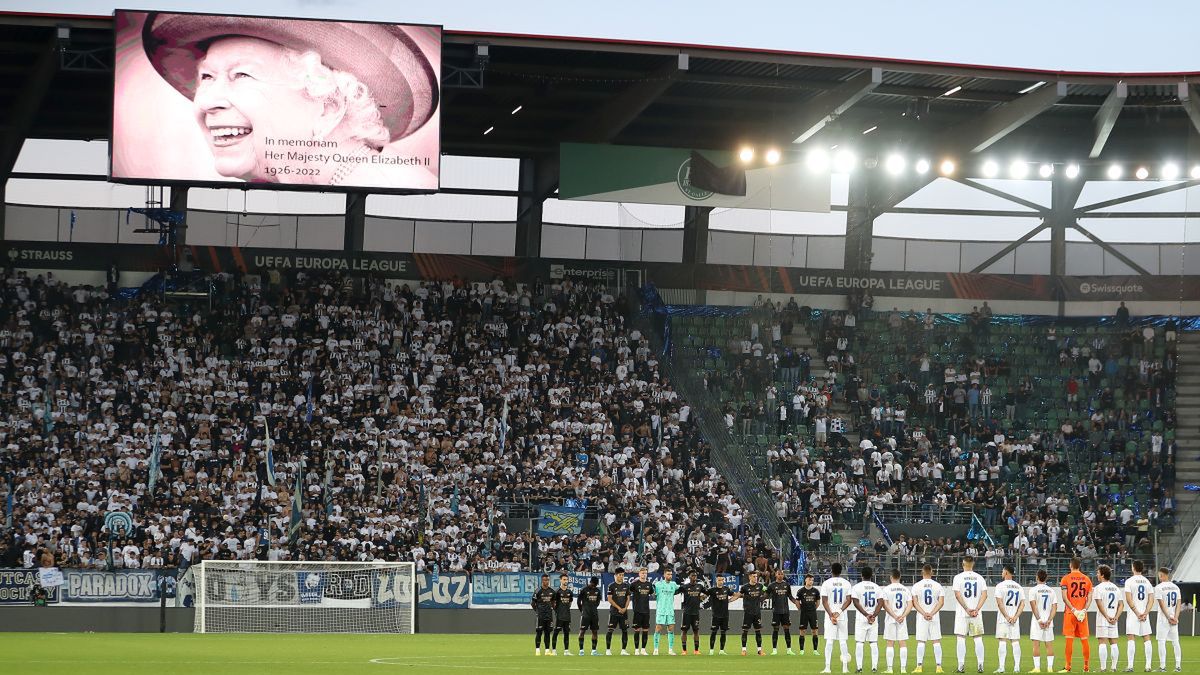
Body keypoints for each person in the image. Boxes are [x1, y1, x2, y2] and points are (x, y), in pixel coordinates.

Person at [140, 12, 440, 188]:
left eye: (242, 75)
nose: (207, 103)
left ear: (328, 107)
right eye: (206, 77)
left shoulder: (399, 188)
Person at [952, 555, 988, 673]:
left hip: (963, 613)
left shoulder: (958, 577)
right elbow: (984, 595)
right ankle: (981, 665)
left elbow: (957, 595)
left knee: (961, 638)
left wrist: (967, 609)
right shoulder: (980, 578)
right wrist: (976, 609)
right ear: (973, 564)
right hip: (976, 613)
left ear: (963, 564)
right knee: (978, 638)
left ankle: (961, 666)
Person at [1060, 557, 1094, 672]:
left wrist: (1074, 610)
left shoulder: (1065, 579)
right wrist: (1084, 610)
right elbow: (1089, 598)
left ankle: (1068, 666)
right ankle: (1086, 667)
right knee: (1084, 640)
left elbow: (1064, 598)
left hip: (1071, 613)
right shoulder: (1087, 579)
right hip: (1082, 615)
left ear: (1071, 565)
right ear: (1079, 566)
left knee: (1069, 639)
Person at [820, 562, 854, 674]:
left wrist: (831, 615)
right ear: (841, 571)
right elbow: (849, 600)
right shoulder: (846, 583)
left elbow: (824, 601)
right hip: (842, 615)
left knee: (829, 642)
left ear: (831, 570)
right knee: (843, 642)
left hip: (830, 616)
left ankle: (827, 668)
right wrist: (839, 612)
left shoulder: (826, 583)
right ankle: (845, 668)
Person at [912, 564, 946, 673]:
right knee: (936, 641)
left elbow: (915, 603)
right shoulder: (938, 586)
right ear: (932, 572)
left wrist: (924, 613)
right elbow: (941, 602)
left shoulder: (916, 586)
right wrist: (932, 613)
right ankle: (939, 667)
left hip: (922, 617)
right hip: (934, 616)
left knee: (921, 641)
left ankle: (919, 666)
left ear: (922, 572)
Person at [1123, 560, 1155, 671]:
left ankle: (1130, 666)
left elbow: (1128, 598)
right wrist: (1145, 612)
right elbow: (1151, 599)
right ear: (1142, 568)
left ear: (1133, 568)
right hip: (1144, 614)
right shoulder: (1147, 582)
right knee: (1146, 638)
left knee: (1131, 638)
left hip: (1133, 614)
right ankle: (1148, 666)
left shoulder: (1129, 581)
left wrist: (1137, 613)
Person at [852, 565, 883, 673]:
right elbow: (880, 603)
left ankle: (859, 667)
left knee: (860, 643)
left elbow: (855, 602)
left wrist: (866, 614)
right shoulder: (877, 587)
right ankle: (874, 667)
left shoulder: (857, 587)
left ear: (861, 575)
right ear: (871, 575)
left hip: (861, 618)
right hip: (873, 619)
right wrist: (873, 615)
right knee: (873, 643)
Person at [994, 565, 1025, 674]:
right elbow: (1022, 603)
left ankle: (1001, 667)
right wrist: (1015, 617)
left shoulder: (1000, 586)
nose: (1001, 573)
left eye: (1003, 571)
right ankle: (1017, 667)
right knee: (1015, 642)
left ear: (1006, 573)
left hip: (1003, 618)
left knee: (1002, 641)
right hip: (1015, 619)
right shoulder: (1019, 587)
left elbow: (1000, 603)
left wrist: (1007, 616)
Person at [882, 569, 913, 674]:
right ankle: (903, 668)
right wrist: (902, 616)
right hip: (902, 619)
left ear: (891, 577)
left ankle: (890, 668)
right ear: (900, 577)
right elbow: (910, 604)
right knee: (902, 642)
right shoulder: (906, 589)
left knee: (890, 643)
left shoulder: (886, 589)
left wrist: (894, 616)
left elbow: (885, 604)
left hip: (891, 618)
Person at [1093, 565, 1123, 672]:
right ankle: (1114, 667)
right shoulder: (1116, 588)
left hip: (1103, 619)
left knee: (1102, 642)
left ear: (1102, 575)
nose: (1097, 575)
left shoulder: (1098, 588)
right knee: (1113, 643)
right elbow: (1121, 605)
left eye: (1098, 573)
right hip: (1113, 620)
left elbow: (1099, 604)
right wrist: (1116, 617)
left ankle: (1103, 668)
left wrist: (1106, 616)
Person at [1028, 569, 1058, 673]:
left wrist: (1040, 620)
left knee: (1036, 644)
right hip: (1048, 621)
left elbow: (1034, 607)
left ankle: (1037, 668)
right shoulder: (1052, 591)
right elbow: (1055, 607)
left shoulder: (1033, 590)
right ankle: (1050, 668)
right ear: (1046, 578)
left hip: (1037, 622)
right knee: (1049, 644)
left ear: (1037, 577)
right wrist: (1049, 620)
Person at [1154, 567, 1182, 672]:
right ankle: (1178, 666)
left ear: (1161, 575)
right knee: (1176, 642)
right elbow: (1179, 603)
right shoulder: (1176, 587)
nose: (1159, 577)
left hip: (1163, 619)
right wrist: (1175, 617)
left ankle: (1162, 667)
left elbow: (1161, 605)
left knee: (1161, 642)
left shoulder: (1159, 587)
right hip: (1174, 618)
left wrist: (1168, 617)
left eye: (1159, 575)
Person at [735, 570, 767, 656]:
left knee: (758, 631)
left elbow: (767, 591)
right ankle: (744, 650)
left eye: (756, 577)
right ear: (749, 577)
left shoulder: (760, 586)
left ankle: (759, 650)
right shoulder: (745, 587)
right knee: (745, 631)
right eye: (754, 576)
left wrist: (762, 598)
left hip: (757, 612)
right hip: (748, 612)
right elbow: (738, 595)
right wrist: (730, 600)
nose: (755, 578)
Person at [768, 568, 797, 655]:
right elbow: (766, 595)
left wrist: (797, 602)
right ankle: (774, 650)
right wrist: (758, 599)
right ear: (776, 575)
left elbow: (790, 596)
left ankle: (789, 649)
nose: (780, 575)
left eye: (781, 574)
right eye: (779, 574)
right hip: (776, 611)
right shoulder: (771, 585)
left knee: (787, 630)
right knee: (775, 630)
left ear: (783, 575)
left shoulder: (786, 585)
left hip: (785, 611)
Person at [652, 567, 679, 655]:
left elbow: (682, 589)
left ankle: (670, 649)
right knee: (658, 628)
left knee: (671, 629)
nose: (670, 576)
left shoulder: (673, 584)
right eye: (668, 574)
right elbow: (652, 593)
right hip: (661, 610)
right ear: (664, 575)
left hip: (670, 610)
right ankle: (656, 649)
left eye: (671, 574)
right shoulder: (658, 585)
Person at [704, 575, 734, 655]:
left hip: (725, 615)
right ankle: (711, 650)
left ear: (723, 581)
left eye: (722, 580)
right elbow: (704, 595)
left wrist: (730, 600)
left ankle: (721, 650)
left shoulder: (726, 589)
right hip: (716, 615)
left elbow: (735, 594)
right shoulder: (712, 590)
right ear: (716, 581)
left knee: (723, 632)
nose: (721, 581)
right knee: (714, 632)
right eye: (719, 580)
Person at [678, 570, 706, 655]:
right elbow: (675, 592)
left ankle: (696, 650)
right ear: (689, 577)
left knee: (696, 631)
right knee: (684, 631)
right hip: (686, 612)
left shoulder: (700, 586)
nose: (694, 577)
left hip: (696, 613)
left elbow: (707, 593)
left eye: (695, 576)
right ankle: (684, 650)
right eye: (692, 576)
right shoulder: (684, 587)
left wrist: (703, 597)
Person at [606, 568, 631, 655]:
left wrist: (625, 608)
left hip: (624, 612)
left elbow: (628, 598)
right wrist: (619, 608)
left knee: (625, 630)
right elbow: (609, 599)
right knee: (610, 630)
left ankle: (623, 650)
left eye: (622, 575)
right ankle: (608, 650)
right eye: (620, 575)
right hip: (614, 612)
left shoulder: (626, 586)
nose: (621, 577)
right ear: (615, 575)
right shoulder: (611, 586)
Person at [629, 568, 654, 655]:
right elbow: (629, 593)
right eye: (642, 573)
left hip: (646, 610)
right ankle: (636, 649)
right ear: (639, 574)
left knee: (645, 630)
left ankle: (643, 649)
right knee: (637, 630)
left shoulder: (649, 584)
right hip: (637, 610)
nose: (644, 575)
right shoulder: (634, 584)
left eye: (645, 573)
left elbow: (652, 593)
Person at [796, 573, 822, 656]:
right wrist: (801, 609)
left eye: (812, 580)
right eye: (809, 579)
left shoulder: (816, 591)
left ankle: (815, 650)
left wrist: (813, 609)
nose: (811, 581)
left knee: (814, 631)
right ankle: (801, 650)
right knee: (802, 631)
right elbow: (797, 602)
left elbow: (818, 602)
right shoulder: (801, 591)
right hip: (804, 613)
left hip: (813, 613)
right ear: (805, 580)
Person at [531, 574, 556, 656]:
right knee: (539, 632)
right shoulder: (538, 591)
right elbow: (533, 603)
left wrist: (553, 608)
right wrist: (537, 611)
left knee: (548, 632)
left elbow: (553, 602)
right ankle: (537, 650)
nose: (546, 582)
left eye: (548, 580)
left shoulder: (552, 591)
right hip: (541, 615)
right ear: (542, 580)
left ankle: (547, 650)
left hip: (549, 615)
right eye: (545, 580)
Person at [577, 576, 602, 656]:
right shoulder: (584, 590)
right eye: (593, 584)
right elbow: (578, 601)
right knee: (582, 631)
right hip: (585, 615)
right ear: (590, 582)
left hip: (594, 614)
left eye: (595, 585)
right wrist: (583, 610)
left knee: (595, 631)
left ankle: (594, 651)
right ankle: (581, 650)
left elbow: (598, 602)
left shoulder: (598, 591)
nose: (594, 586)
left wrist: (593, 608)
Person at [552, 573, 575, 656]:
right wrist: (557, 611)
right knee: (556, 632)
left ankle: (566, 651)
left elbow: (570, 603)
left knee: (566, 633)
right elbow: (553, 603)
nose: (566, 581)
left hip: (567, 616)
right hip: (560, 616)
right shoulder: (557, 592)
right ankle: (554, 650)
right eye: (564, 579)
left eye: (567, 579)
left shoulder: (569, 592)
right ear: (560, 580)